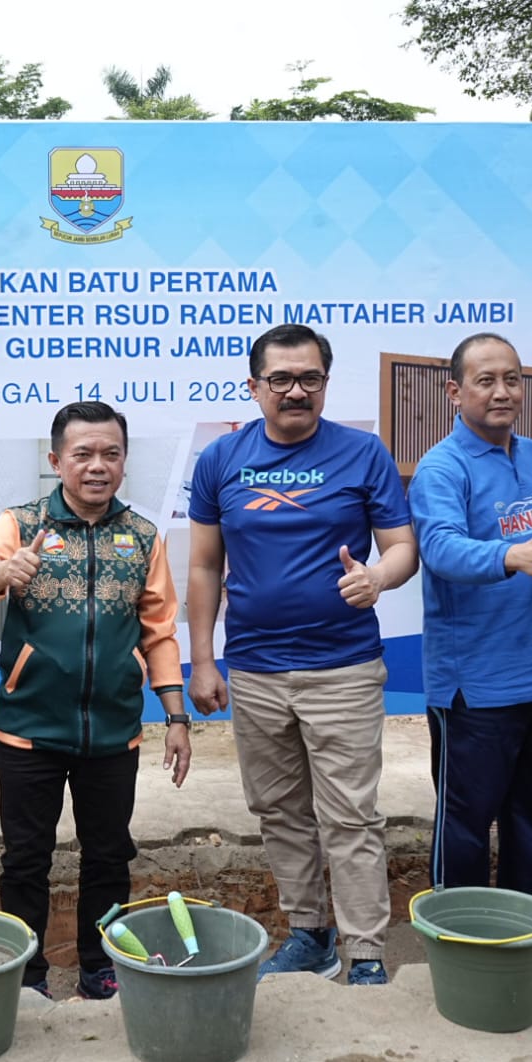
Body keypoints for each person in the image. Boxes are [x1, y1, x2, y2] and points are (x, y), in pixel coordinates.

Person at [188, 323, 417, 987]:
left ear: (325, 382)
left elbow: (401, 545)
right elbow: (204, 566)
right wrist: (203, 660)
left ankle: (366, 950)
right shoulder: (221, 459)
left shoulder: (363, 453)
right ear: (254, 386)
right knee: (281, 810)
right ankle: (309, 932)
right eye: (281, 379)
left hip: (342, 667)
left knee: (350, 815)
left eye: (309, 378)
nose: (296, 390)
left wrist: (379, 576)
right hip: (255, 670)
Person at [0, 401, 191, 1001]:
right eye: (82, 454)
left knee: (109, 857)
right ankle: (28, 975)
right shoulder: (22, 523)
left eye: (110, 454)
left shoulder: (142, 537)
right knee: (25, 858)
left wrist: (177, 714)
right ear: (57, 461)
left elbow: (159, 630)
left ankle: (100, 966)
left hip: (113, 733)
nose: (97, 466)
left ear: (124, 461)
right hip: (28, 729)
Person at [409, 333, 532, 910]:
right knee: (465, 824)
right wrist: (513, 555)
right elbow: (439, 549)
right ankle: (463, 934)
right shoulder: (442, 467)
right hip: (476, 685)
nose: (502, 391)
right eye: (486, 381)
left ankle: (525, 927)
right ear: (455, 391)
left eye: (511, 378)